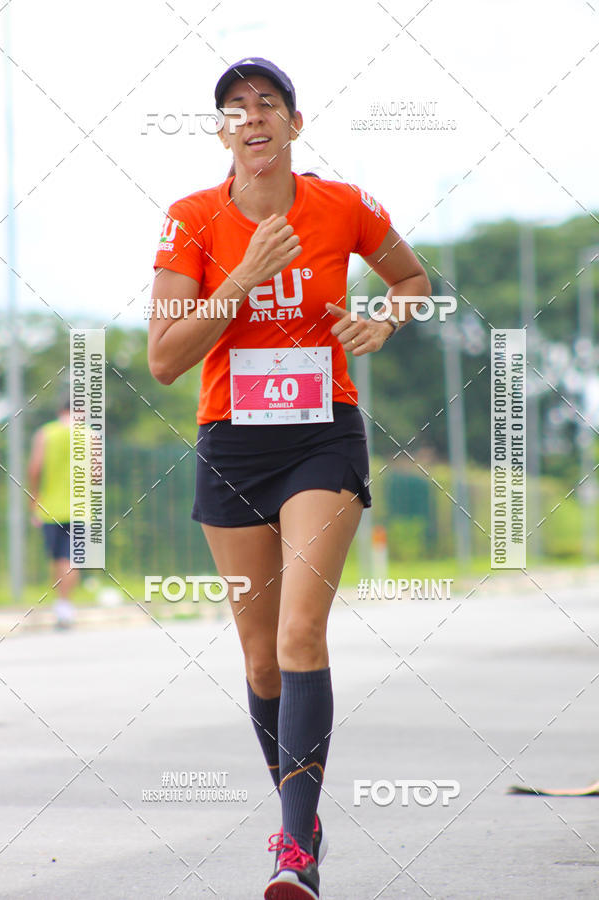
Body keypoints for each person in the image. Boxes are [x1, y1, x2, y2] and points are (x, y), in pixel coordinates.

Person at [148, 57, 431, 900]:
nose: (251, 116)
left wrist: (386, 317)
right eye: (233, 108)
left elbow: (412, 279)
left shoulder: (344, 204)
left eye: (267, 103)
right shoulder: (191, 220)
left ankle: (294, 845)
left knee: (300, 636)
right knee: (261, 661)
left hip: (322, 439)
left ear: (294, 126)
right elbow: (164, 360)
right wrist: (241, 278)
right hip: (233, 445)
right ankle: (299, 814)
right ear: (223, 133)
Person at [28, 397, 78, 628]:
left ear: (60, 410)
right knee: (73, 558)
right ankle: (66, 606)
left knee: (57, 558)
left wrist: (35, 500)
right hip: (81, 509)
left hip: (50, 509)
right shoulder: (89, 435)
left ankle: (61, 605)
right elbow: (97, 476)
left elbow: (35, 468)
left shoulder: (45, 434)